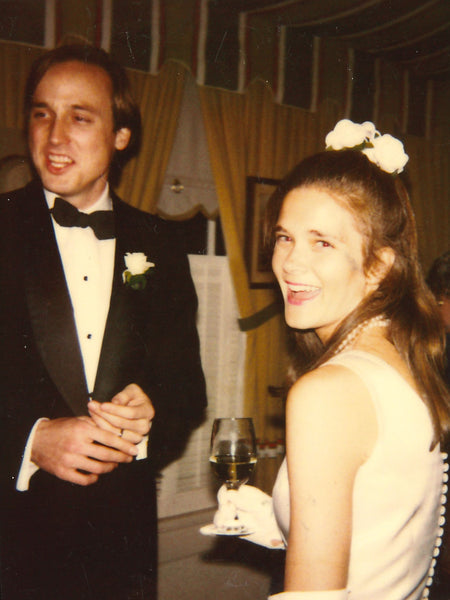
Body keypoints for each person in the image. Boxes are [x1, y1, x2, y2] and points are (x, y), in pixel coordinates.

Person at [0, 43, 207, 600]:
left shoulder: (161, 244)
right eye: (42, 113)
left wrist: (150, 414)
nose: (55, 135)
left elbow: (188, 391)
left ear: (122, 136)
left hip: (121, 552)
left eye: (80, 117)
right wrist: (30, 440)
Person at [212, 120, 450, 599]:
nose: (291, 263)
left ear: (379, 266)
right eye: (285, 237)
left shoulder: (328, 392)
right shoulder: (406, 360)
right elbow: (382, 528)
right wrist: (277, 520)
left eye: (323, 242)